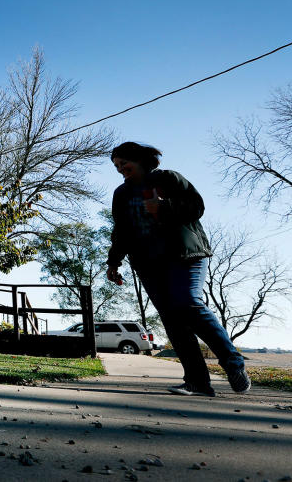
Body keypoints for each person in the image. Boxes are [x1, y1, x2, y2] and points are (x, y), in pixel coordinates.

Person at [105, 141, 250, 397]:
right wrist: (113, 262)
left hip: (185, 256)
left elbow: (197, 208)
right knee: (173, 321)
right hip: (149, 264)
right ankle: (197, 382)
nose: (120, 169)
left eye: (123, 163)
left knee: (188, 303)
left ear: (139, 159)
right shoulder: (121, 194)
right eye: (116, 166)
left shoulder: (168, 179)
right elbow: (122, 231)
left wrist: (164, 207)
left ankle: (233, 364)